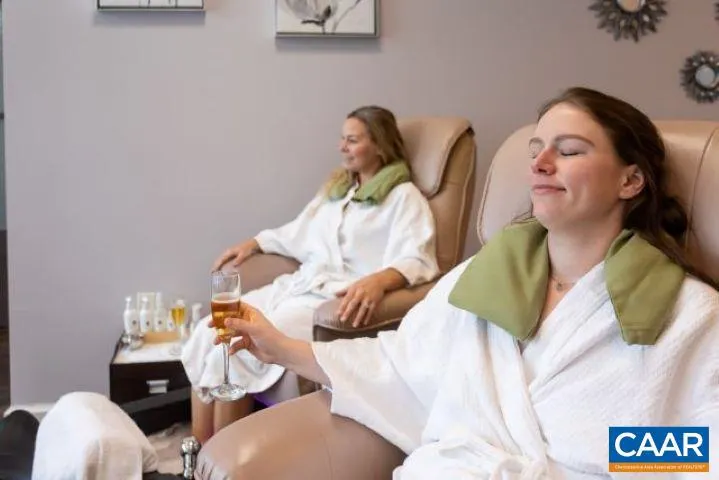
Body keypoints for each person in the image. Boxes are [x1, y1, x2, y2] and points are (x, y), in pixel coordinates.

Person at [217, 87, 719, 478]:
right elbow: (400, 364)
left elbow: (703, 447)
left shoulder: (689, 312)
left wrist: (599, 450)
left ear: (630, 181)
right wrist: (280, 347)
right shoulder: (482, 277)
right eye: (536, 149)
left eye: (568, 151)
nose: (540, 164)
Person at [182, 105, 440, 443]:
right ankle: (198, 458)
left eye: (352, 140)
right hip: (300, 285)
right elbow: (297, 231)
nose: (342, 147)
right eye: (342, 139)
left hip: (332, 298)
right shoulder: (338, 192)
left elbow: (417, 257)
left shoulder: (403, 197)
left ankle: (220, 460)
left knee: (238, 347)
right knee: (211, 330)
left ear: (379, 145)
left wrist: (379, 280)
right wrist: (255, 243)